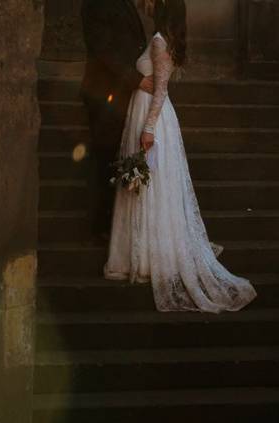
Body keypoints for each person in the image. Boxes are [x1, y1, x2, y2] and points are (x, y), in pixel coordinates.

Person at [103, 0, 257, 313]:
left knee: (150, 186)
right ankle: (137, 255)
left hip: (152, 117)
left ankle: (151, 257)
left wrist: (147, 129)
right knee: (142, 187)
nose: (149, 5)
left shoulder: (160, 42)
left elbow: (160, 91)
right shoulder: (160, 38)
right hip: (143, 111)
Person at [80, 0, 155, 240]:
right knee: (104, 156)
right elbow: (103, 49)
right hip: (104, 93)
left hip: (121, 94)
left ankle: (114, 224)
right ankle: (100, 227)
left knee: (116, 155)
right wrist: (137, 79)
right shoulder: (96, 4)